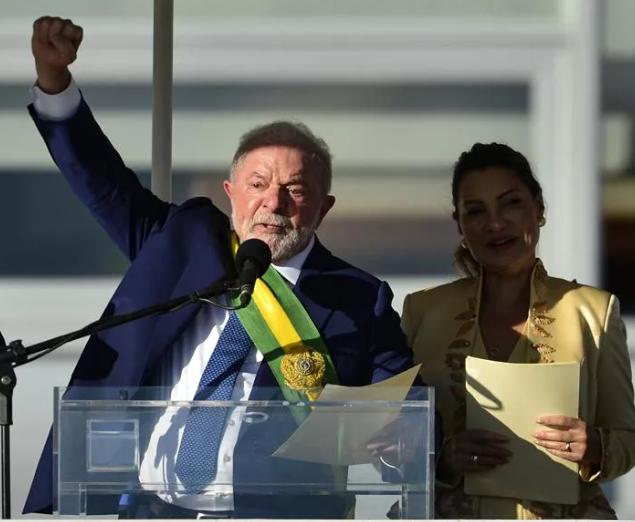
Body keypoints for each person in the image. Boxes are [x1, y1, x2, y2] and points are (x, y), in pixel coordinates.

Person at [24, 16, 437, 519]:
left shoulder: (357, 297)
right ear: (231, 194)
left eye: (296, 189)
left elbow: (403, 409)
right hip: (149, 509)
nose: (273, 202)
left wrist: (401, 439)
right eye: (258, 184)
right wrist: (55, 82)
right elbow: (101, 182)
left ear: (324, 208)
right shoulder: (182, 242)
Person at [401, 143, 635, 519]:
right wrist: (442, 456)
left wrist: (594, 445)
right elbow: (389, 443)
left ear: (538, 208)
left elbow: (627, 440)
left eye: (510, 203)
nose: (495, 223)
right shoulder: (423, 311)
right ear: (460, 224)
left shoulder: (594, 311)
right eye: (476, 211)